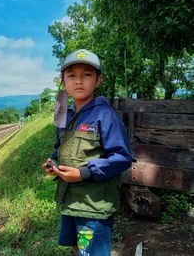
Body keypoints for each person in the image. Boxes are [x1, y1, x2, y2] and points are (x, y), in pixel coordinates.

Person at [41, 49, 132, 256]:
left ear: (98, 80)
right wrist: (53, 163)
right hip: (70, 202)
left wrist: (83, 173)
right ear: (63, 82)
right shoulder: (63, 112)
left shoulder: (104, 115)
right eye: (71, 75)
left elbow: (122, 158)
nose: (78, 81)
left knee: (91, 253)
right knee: (78, 250)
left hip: (93, 206)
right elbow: (59, 146)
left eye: (87, 75)